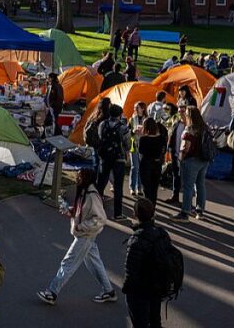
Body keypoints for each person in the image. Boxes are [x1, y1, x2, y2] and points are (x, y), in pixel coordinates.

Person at [37, 168, 117, 305]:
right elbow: (85, 211)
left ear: (86, 179)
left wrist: (81, 226)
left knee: (68, 263)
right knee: (95, 263)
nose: (76, 179)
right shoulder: (86, 192)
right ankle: (109, 291)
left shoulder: (91, 195)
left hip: (84, 236)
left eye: (79, 177)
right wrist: (71, 212)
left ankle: (52, 293)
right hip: (87, 236)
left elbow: (100, 218)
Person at [123, 198, 171, 327]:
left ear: (135, 215)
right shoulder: (162, 233)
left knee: (140, 323)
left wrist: (126, 289)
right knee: (155, 321)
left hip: (140, 290)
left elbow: (130, 271)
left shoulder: (136, 240)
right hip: (157, 287)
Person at [174, 108, 211, 221]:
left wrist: (180, 158)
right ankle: (200, 211)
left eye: (185, 114)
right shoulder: (205, 128)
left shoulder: (189, 130)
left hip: (191, 160)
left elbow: (185, 147)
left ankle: (185, 212)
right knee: (200, 185)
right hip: (204, 160)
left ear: (189, 116)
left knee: (188, 187)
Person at [96, 104, 130, 220]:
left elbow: (100, 137)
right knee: (118, 186)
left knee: (101, 184)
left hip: (105, 156)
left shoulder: (102, 124)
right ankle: (118, 213)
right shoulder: (123, 127)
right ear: (120, 114)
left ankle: (96, 209)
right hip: (118, 157)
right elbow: (127, 144)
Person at [138, 118, 167, 206]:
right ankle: (152, 208)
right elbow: (163, 150)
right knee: (154, 188)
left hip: (146, 163)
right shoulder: (161, 138)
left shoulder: (143, 139)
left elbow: (140, 151)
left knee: (147, 189)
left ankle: (147, 208)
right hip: (157, 163)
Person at [163, 103, 186, 204]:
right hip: (175, 153)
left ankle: (186, 201)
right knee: (175, 175)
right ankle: (175, 196)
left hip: (185, 156)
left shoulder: (190, 125)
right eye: (179, 111)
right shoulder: (176, 122)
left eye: (183, 111)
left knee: (185, 179)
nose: (181, 113)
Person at [129, 102, 148, 196]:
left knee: (141, 168)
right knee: (134, 167)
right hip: (134, 144)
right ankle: (132, 187)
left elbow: (149, 132)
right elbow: (128, 132)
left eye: (137, 107)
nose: (135, 109)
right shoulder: (132, 119)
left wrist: (143, 132)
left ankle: (139, 188)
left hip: (143, 145)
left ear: (143, 109)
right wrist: (133, 131)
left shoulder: (147, 120)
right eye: (135, 107)